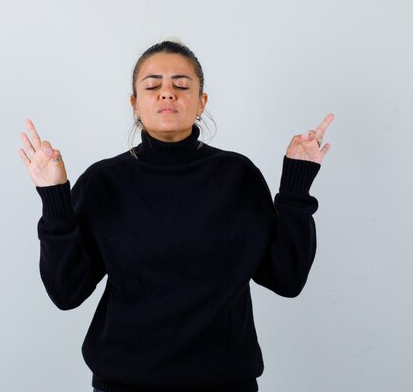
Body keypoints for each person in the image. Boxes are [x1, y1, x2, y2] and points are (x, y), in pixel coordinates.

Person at [18, 40, 334, 392]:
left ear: (201, 102)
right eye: (152, 86)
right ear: (135, 104)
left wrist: (296, 186)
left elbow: (286, 278)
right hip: (123, 383)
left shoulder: (237, 176)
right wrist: (54, 197)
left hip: (226, 383)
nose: (167, 94)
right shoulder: (104, 182)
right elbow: (67, 292)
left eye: (181, 85)